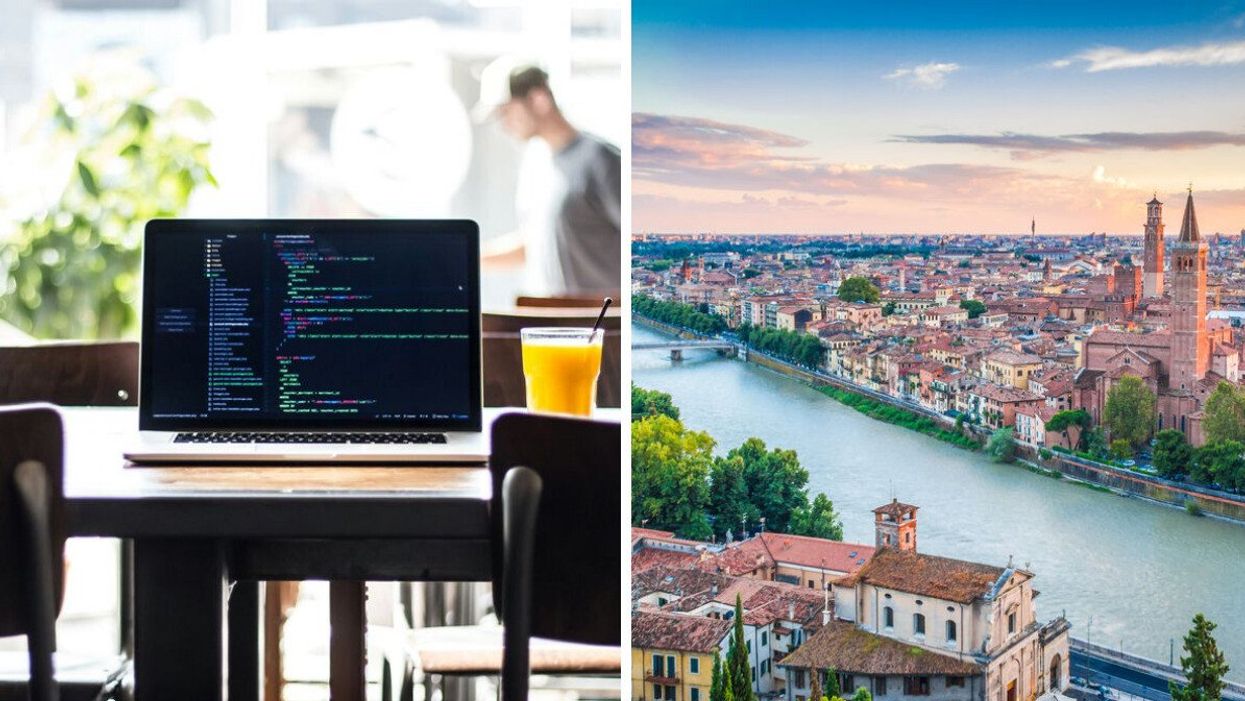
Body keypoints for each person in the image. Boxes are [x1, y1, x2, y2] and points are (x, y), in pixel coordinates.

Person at [474, 58, 620, 296]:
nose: (504, 124)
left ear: (538, 99)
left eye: (505, 111)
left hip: (600, 324)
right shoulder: (536, 165)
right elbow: (535, 243)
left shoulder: (601, 160)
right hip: (550, 320)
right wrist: (463, 256)